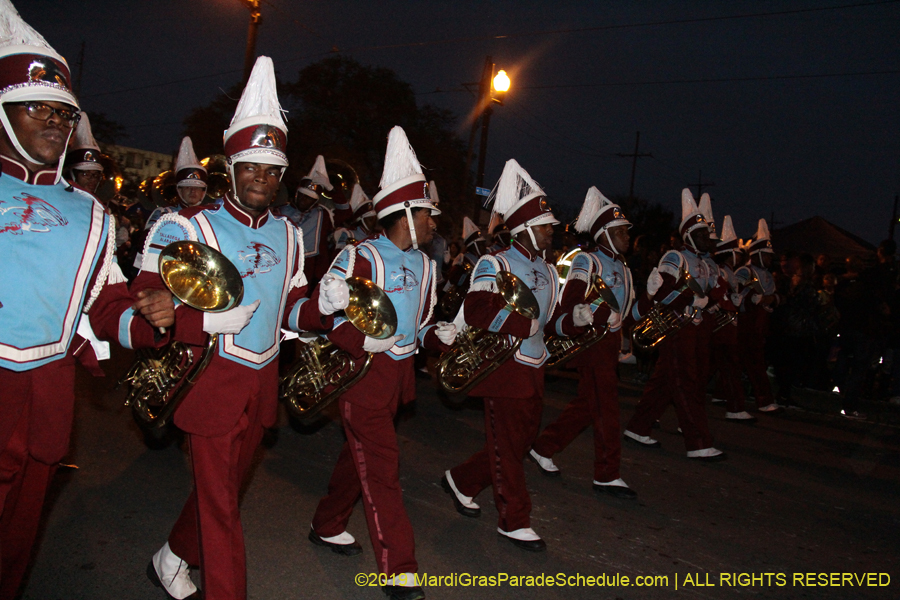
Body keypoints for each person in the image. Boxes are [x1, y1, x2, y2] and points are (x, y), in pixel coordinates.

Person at [134, 57, 344, 600]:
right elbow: (143, 302)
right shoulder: (186, 225)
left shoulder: (291, 234)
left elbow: (291, 312)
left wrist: (324, 307)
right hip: (207, 378)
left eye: (272, 170)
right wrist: (199, 320)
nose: (262, 178)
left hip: (261, 382)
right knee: (224, 510)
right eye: (251, 166)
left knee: (221, 490)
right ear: (230, 166)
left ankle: (172, 555)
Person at [0, 3, 174, 597]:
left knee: (16, 546)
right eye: (36, 108)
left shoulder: (92, 212)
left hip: (46, 399)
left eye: (63, 113)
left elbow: (104, 305)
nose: (54, 122)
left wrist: (146, 319)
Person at [310, 126, 453, 600]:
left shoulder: (430, 266)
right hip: (360, 377)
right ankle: (400, 567)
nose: (435, 223)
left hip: (397, 380)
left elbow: (422, 325)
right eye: (428, 214)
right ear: (406, 214)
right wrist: (359, 339)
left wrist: (441, 336)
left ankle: (328, 524)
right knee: (384, 466)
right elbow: (323, 315)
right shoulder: (360, 257)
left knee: (361, 459)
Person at [442, 159, 567, 552]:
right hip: (503, 366)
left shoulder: (548, 269)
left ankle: (461, 480)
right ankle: (514, 519)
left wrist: (575, 319)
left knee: (518, 441)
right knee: (509, 447)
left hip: (535, 365)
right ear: (528, 227)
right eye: (546, 225)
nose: (551, 231)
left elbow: (552, 319)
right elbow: (478, 310)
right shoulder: (493, 262)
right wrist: (516, 323)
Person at [530, 186, 639, 499]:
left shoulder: (625, 270)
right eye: (620, 231)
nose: (627, 236)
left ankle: (543, 446)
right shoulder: (587, 262)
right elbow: (571, 301)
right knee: (606, 408)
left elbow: (628, 311)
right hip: (591, 342)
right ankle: (607, 474)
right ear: (604, 233)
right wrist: (595, 313)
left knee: (589, 406)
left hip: (609, 344)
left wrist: (628, 339)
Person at [624, 189, 726, 461]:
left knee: (667, 382)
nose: (708, 238)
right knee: (685, 381)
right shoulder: (674, 258)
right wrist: (693, 298)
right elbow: (662, 295)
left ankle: (637, 427)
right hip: (676, 327)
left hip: (697, 328)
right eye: (702, 234)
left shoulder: (708, 263)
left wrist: (715, 298)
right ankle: (698, 442)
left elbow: (717, 289)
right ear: (689, 235)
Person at [132, 136, 209, 271]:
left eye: (198, 188)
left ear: (204, 192)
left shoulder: (210, 216)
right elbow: (146, 244)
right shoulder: (163, 213)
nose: (193, 191)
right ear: (179, 190)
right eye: (187, 187)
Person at [274, 155, 347, 289]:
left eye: (308, 198)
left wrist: (332, 190)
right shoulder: (279, 211)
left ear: (315, 201)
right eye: (301, 195)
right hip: (282, 265)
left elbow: (346, 213)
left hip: (311, 271)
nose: (303, 199)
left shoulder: (322, 214)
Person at [709, 216, 755, 421]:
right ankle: (735, 408)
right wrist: (730, 301)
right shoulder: (720, 271)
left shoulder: (729, 271)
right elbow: (716, 296)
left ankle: (726, 401)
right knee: (725, 366)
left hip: (725, 327)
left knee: (712, 368)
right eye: (736, 253)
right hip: (720, 327)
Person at [735, 219, 783, 412]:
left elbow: (776, 298)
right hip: (743, 326)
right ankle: (762, 400)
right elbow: (734, 297)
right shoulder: (744, 272)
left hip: (759, 327)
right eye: (766, 255)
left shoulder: (769, 276)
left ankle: (726, 396)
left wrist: (770, 299)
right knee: (740, 363)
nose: (770, 260)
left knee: (750, 363)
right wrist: (751, 301)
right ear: (756, 255)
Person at [63, 111, 104, 195]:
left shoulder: (97, 205)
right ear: (71, 174)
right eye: (85, 174)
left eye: (95, 175)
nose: (92, 179)